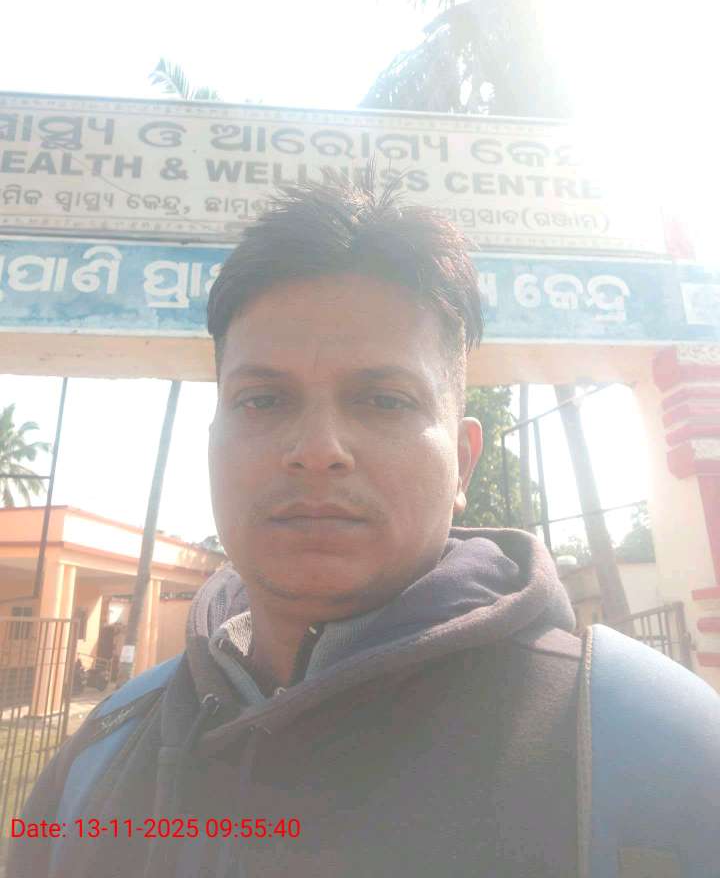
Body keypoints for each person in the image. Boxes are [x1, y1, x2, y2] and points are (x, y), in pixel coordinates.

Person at [8, 171, 719, 878]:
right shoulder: (107, 747)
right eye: (263, 401)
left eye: (383, 400)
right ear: (213, 443)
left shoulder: (649, 745)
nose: (318, 450)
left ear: (463, 462)